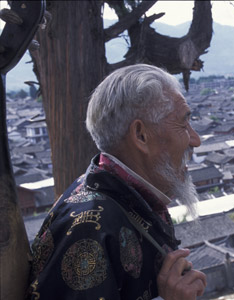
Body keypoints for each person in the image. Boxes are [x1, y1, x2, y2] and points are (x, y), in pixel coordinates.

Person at [26, 64, 207, 300]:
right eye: (183, 123)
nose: (196, 139)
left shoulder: (123, 197)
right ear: (141, 135)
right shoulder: (87, 229)